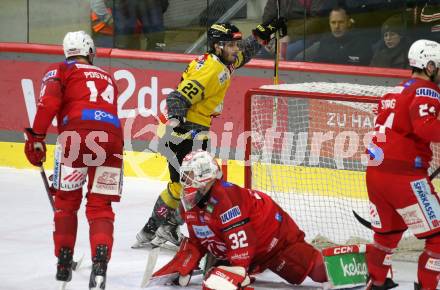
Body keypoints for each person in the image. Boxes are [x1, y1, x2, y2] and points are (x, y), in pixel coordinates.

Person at [132, 19, 287, 249]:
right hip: (186, 131)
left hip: (195, 129)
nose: (236, 49)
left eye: (235, 45)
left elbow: (243, 54)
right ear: (217, 46)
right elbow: (177, 98)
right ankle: (158, 228)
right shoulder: (211, 70)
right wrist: (178, 125)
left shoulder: (222, 62)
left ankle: (156, 229)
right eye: (231, 45)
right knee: (194, 186)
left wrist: (262, 34)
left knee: (184, 186)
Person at [23, 31, 123, 290]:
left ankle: (64, 263)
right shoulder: (107, 77)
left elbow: (48, 104)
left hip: (76, 138)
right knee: (101, 206)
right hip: (112, 140)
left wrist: (36, 136)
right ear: (90, 51)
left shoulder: (59, 70)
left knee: (66, 203)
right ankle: (100, 265)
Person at [151, 150, 328, 289]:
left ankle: (347, 263)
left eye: (189, 175)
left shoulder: (227, 197)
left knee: (315, 271)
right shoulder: (192, 202)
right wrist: (186, 261)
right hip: (249, 249)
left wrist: (238, 271)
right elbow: (199, 239)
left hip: (277, 241)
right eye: (184, 176)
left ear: (204, 175)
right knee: (215, 277)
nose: (185, 181)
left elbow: (242, 242)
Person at [365, 39, 440, 290]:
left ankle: (375, 282)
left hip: (376, 174)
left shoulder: (391, 92)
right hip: (404, 177)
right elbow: (426, 128)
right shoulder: (426, 90)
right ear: (429, 66)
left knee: (387, 234)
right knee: (438, 239)